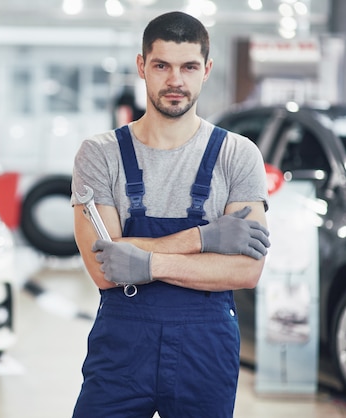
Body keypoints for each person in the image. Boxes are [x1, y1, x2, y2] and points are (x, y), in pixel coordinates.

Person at [70, 11, 270, 418]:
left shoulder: (237, 155)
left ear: (206, 70)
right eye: (162, 65)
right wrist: (204, 239)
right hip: (122, 350)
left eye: (188, 67)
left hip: (206, 350)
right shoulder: (100, 154)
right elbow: (104, 269)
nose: (175, 80)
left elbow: (245, 272)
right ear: (142, 66)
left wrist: (144, 262)